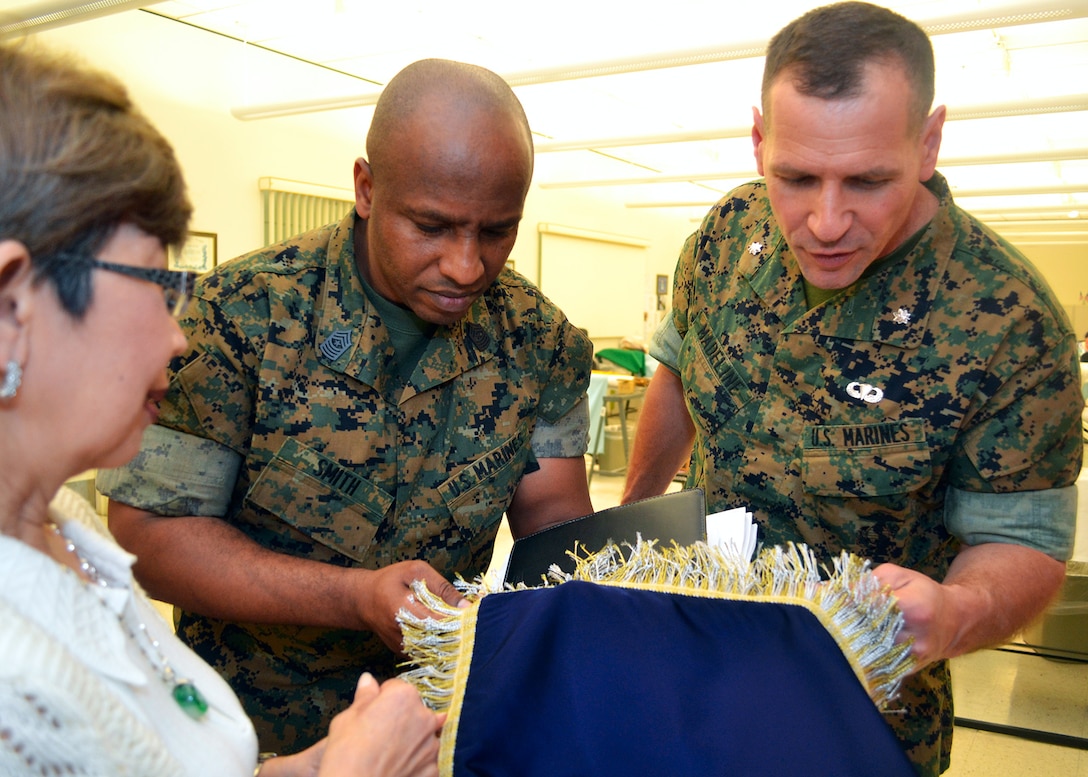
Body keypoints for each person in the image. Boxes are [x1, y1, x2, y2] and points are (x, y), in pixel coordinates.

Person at [621, 3, 1081, 775]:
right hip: (688, 674)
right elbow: (675, 370)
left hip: (859, 718)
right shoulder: (731, 232)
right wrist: (628, 531)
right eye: (796, 177)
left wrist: (961, 610)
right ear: (760, 140)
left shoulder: (1009, 321)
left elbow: (1025, 539)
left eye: (868, 181)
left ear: (928, 142)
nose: (826, 221)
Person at [98, 58, 595, 753]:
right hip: (248, 737)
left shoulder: (538, 341)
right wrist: (355, 595)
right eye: (432, 226)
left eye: (496, 231)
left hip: (432, 732)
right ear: (366, 187)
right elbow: (148, 534)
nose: (466, 265)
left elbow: (554, 523)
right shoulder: (242, 316)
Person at [0, 40, 442, 776]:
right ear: (13, 305)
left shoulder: (62, 533)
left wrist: (314, 763)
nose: (177, 337)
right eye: (152, 283)